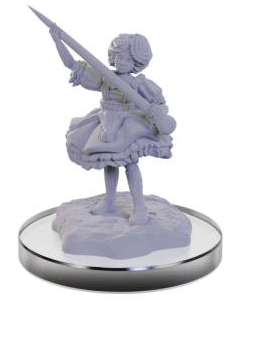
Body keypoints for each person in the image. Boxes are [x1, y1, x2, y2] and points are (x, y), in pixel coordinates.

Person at [49, 23, 173, 226]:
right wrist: (58, 41)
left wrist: (158, 112)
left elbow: (161, 106)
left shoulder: (140, 84)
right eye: (119, 57)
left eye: (128, 59)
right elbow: (71, 64)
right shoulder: (104, 77)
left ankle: (139, 207)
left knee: (130, 164)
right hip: (105, 121)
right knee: (109, 162)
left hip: (128, 125)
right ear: (113, 56)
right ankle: (109, 200)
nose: (122, 62)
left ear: (136, 61)